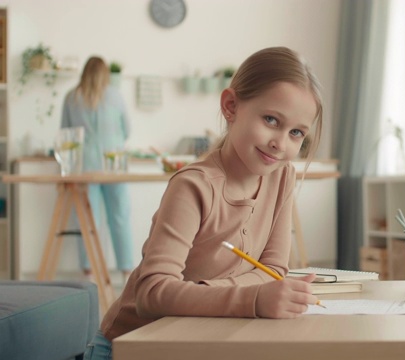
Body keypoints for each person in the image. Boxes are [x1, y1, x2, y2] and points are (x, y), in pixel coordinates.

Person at [83, 46, 324, 359]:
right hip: (129, 346)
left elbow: (274, 269)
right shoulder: (193, 186)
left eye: (296, 132)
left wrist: (219, 293)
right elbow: (152, 293)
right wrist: (251, 298)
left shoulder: (282, 178)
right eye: (270, 120)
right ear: (231, 106)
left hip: (198, 340)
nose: (280, 143)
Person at [61, 56, 134, 283]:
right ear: (105, 74)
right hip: (114, 165)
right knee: (120, 218)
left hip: (85, 167)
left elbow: (65, 133)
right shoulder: (115, 95)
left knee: (88, 220)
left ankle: (89, 274)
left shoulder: (72, 97)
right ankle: (126, 273)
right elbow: (127, 129)